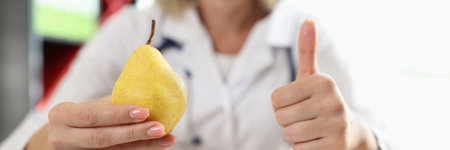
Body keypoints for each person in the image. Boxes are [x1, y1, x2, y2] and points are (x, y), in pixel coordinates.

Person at [1, 0, 393, 149]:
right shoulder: (129, 30)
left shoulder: (308, 34)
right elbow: (25, 137)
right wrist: (51, 143)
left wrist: (358, 140)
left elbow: (382, 138)